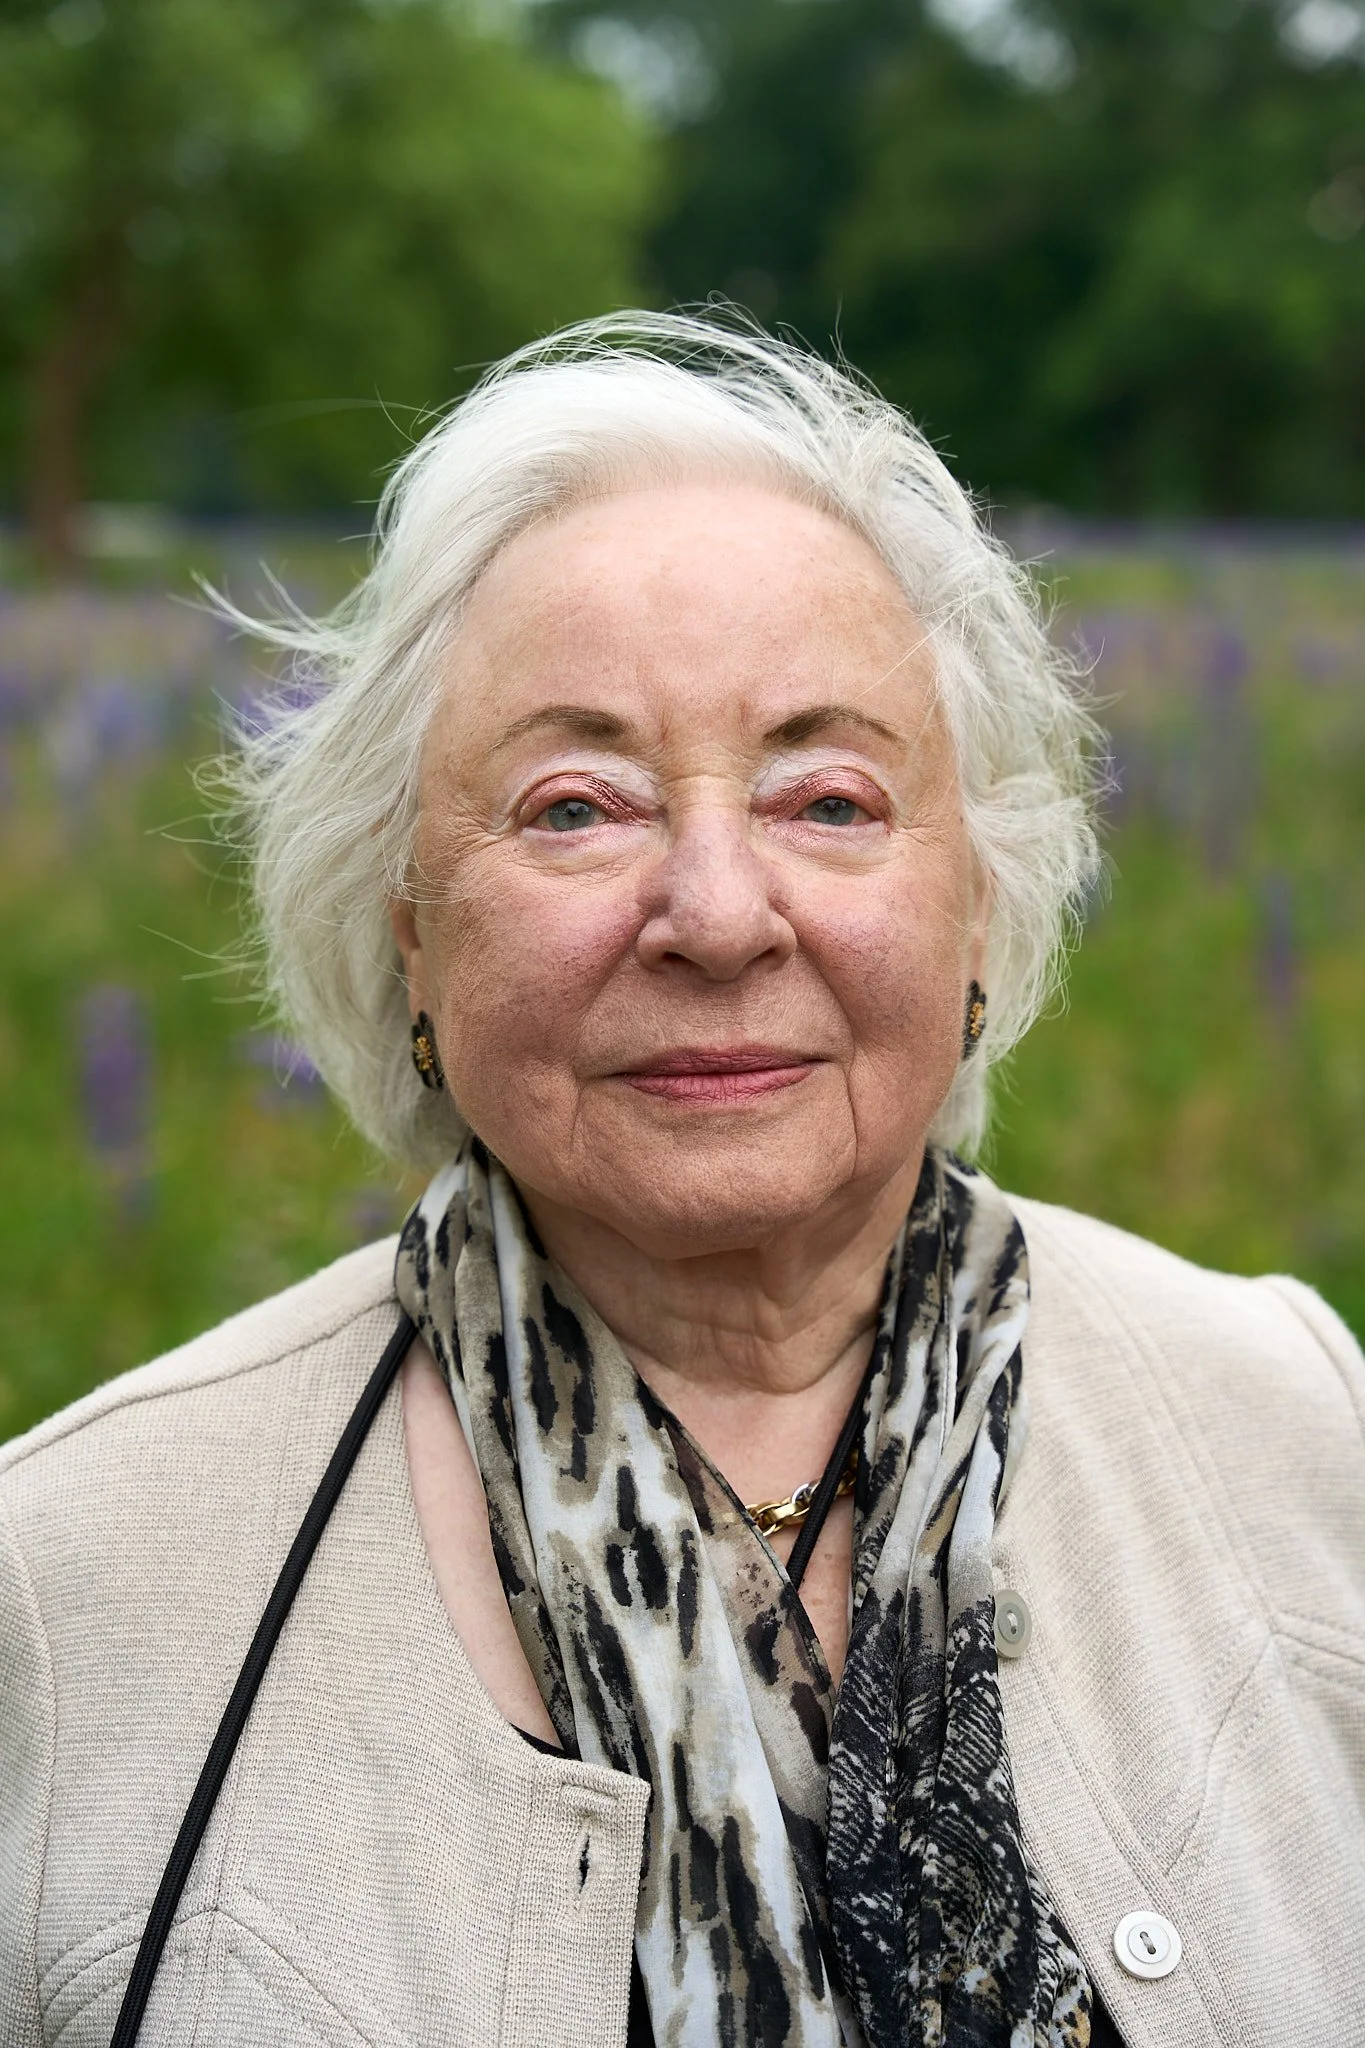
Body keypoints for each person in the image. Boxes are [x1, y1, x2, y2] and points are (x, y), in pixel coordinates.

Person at [2, 314, 1361, 2048]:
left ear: (983, 904)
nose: (718, 913)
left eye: (831, 797)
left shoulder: (1304, 1427)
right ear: (412, 938)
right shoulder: (64, 1581)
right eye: (576, 806)